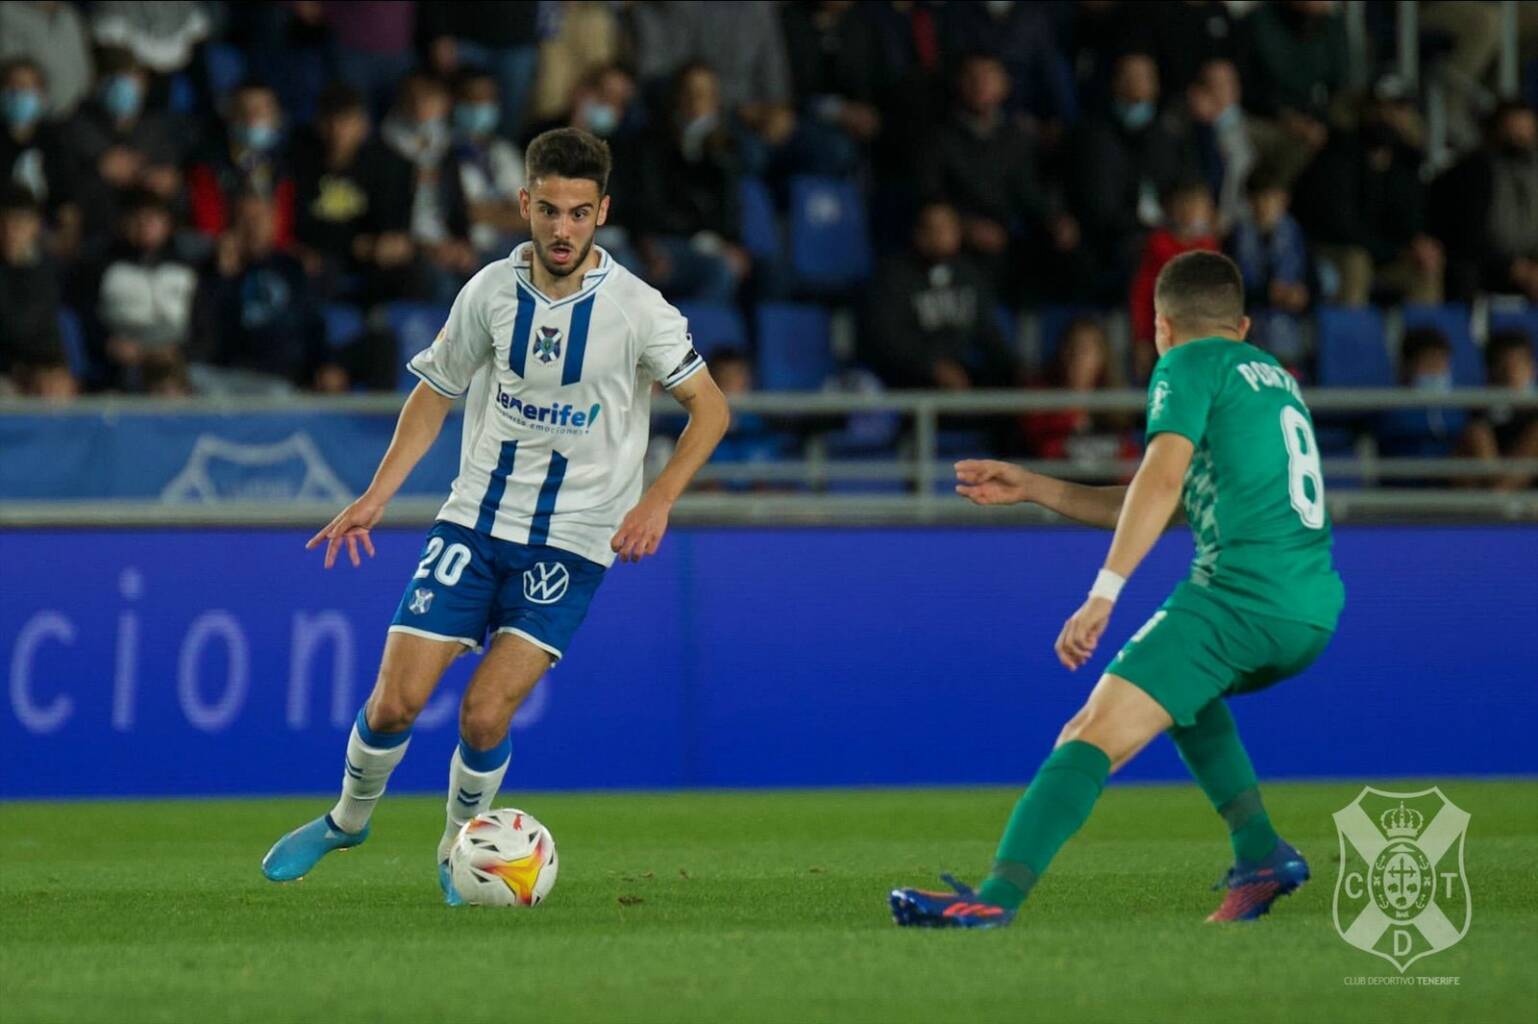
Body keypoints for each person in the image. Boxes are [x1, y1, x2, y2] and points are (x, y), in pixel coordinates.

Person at [260, 127, 731, 903]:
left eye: (579, 213)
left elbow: (709, 411)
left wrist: (658, 499)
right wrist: (378, 494)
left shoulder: (638, 310)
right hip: (473, 519)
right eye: (548, 210)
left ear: (602, 212)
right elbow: (435, 393)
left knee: (484, 716)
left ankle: (457, 847)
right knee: (394, 701)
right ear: (524, 204)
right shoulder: (486, 291)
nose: (561, 229)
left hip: (575, 542)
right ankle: (348, 821)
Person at [891, 251, 1344, 927]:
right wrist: (1037, 487)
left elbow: (1159, 481)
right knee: (1184, 695)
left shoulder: (1187, 364)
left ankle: (992, 899)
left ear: (1161, 326)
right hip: (1312, 605)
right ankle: (1260, 853)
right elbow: (1169, 500)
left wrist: (1105, 592)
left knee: (1090, 729)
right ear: (1242, 325)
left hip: (1238, 598)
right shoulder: (1274, 378)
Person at [860, 199, 1018, 390]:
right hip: (909, 380)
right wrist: (932, 366)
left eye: (948, 227)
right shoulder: (893, 277)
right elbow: (889, 339)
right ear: (918, 234)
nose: (943, 235)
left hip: (963, 376)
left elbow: (988, 331)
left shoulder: (969, 275)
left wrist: (1015, 368)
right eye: (935, 228)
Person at [1464, 330, 1538, 491]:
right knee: (1477, 433)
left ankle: (1498, 495)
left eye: (1518, 363)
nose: (1512, 373)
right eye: (1504, 365)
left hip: (1526, 484)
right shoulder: (1480, 408)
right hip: (1491, 475)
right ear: (1491, 371)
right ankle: (1500, 495)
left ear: (1531, 368)